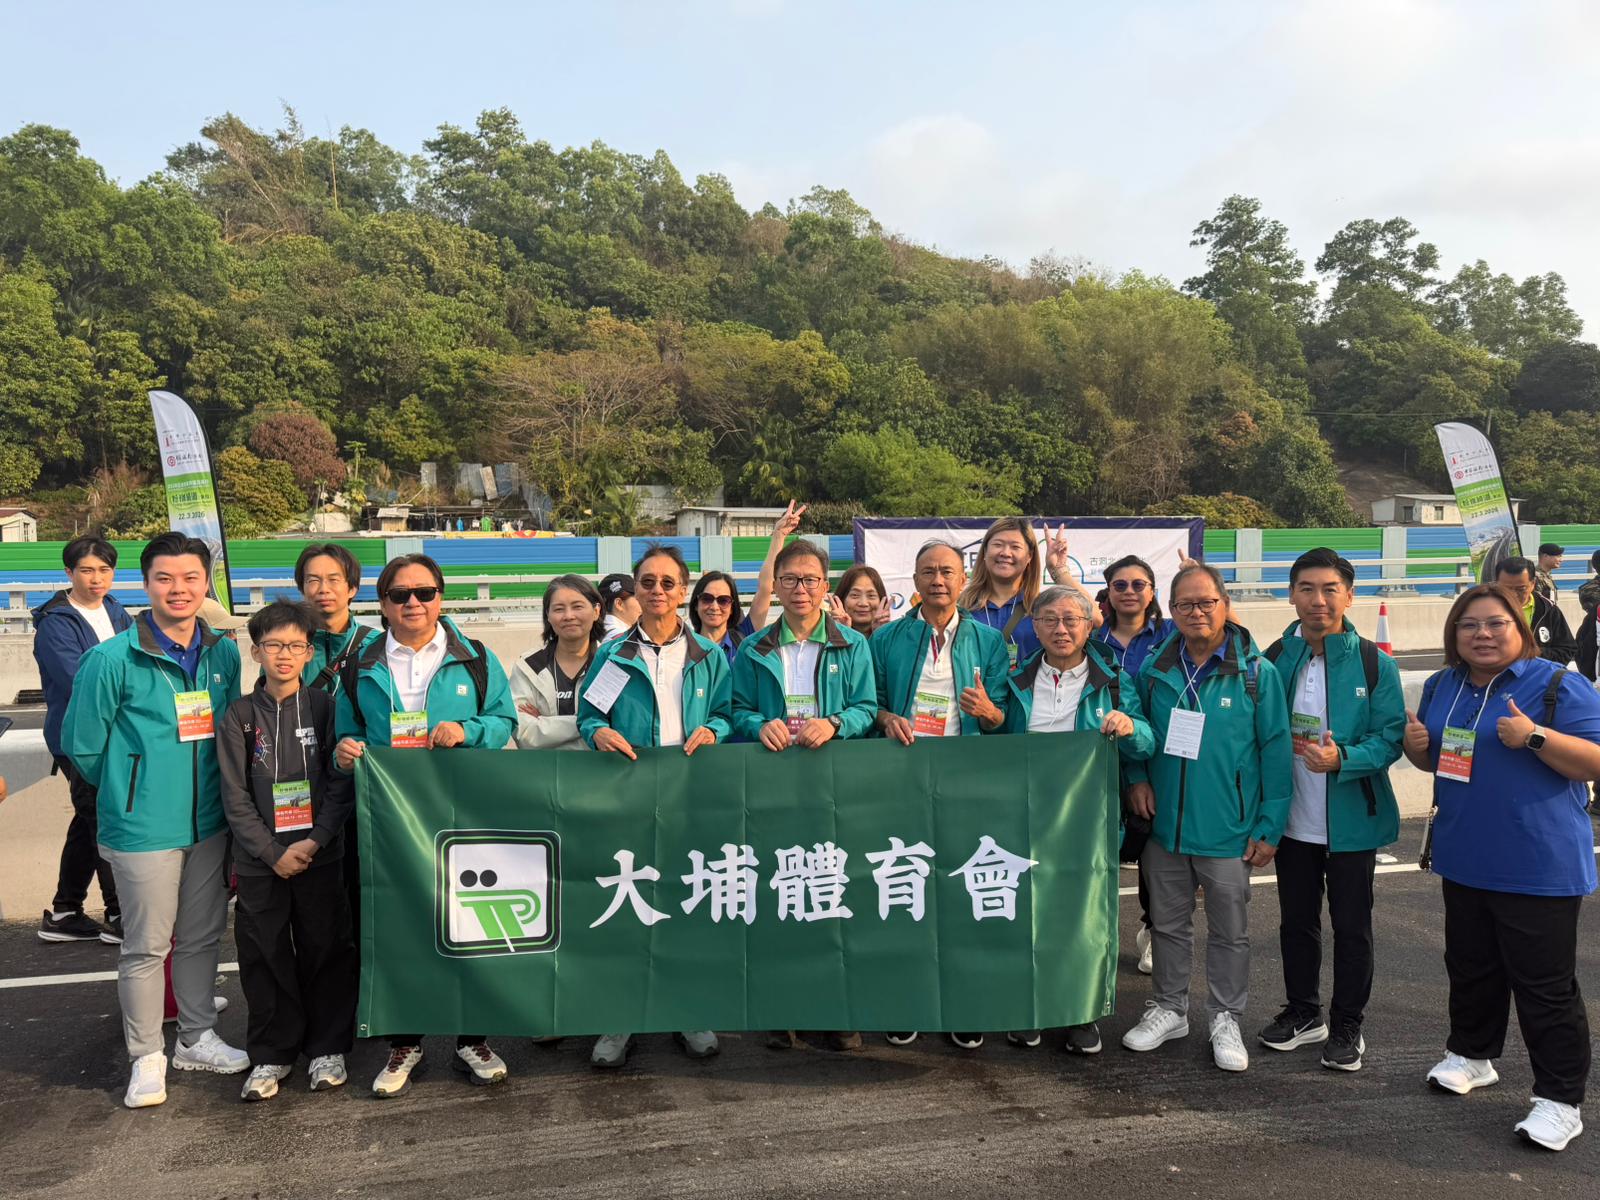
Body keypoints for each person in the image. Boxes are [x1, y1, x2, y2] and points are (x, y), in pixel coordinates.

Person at [1403, 583, 1600, 1151]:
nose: (1482, 634)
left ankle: (1560, 1100)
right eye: (1469, 625)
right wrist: (1416, 746)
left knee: (1544, 986)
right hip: (1465, 856)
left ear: (1521, 628)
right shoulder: (1444, 684)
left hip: (1538, 863)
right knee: (1471, 968)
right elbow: (1441, 760)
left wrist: (1535, 735)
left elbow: (1595, 760)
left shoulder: (1558, 684)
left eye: (1495, 623)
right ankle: (1472, 1054)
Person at [62, 532, 249, 1109]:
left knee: (200, 937)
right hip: (143, 827)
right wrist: (134, 789)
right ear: (145, 585)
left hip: (210, 822)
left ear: (206, 583)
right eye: (164, 578)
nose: (178, 589)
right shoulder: (111, 659)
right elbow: (83, 746)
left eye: (191, 578)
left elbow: (226, 732)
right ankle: (146, 1055)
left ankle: (195, 1036)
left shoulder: (221, 653)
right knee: (146, 946)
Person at [332, 553, 517, 1097]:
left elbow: (503, 720)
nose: (413, 602)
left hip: (462, 813)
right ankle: (404, 1041)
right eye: (400, 595)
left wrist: (466, 730)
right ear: (383, 604)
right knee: (397, 926)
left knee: (468, 923)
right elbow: (345, 733)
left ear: (441, 596)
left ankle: (472, 1037)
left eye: (425, 592)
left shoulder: (475, 657)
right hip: (389, 818)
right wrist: (345, 752)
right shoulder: (359, 664)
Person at [1121, 563, 1292, 1073]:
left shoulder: (1257, 673)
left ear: (1224, 604)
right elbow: (1136, 730)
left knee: (1230, 932)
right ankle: (1169, 1008)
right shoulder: (1155, 668)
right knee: (1168, 927)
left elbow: (1276, 751)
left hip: (1229, 830)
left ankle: (1225, 1016)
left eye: (1206, 602)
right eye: (1185, 604)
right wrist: (1137, 779)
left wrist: (1269, 826)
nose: (1196, 612)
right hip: (1165, 827)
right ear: (1171, 611)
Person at [577, 543, 732, 1069]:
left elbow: (729, 712)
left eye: (668, 583)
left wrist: (715, 729)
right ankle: (620, 1017)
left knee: (686, 904)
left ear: (682, 591)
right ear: (635, 590)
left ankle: (689, 1010)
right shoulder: (614, 655)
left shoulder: (708, 656)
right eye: (648, 582)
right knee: (630, 906)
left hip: (691, 797)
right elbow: (590, 716)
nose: (658, 591)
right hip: (630, 796)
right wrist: (597, 733)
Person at [1255, 549, 1404, 1072]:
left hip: (1351, 822)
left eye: (1329, 589)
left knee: (1352, 928)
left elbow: (1390, 737)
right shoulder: (1276, 657)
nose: (1318, 600)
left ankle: (1347, 1024)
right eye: (1306, 589)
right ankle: (1303, 1012)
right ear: (1291, 595)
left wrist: (1344, 758)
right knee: (1296, 923)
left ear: (1349, 595)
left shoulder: (1373, 662)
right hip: (1292, 821)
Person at [730, 539, 877, 1053]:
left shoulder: (851, 645)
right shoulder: (754, 648)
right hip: (773, 787)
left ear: (824, 585)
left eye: (810, 580)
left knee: (833, 896)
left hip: (831, 787)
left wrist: (834, 723)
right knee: (778, 894)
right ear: (776, 585)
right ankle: (781, 1009)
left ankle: (835, 1010)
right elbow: (736, 709)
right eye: (789, 579)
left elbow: (866, 708)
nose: (800, 589)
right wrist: (758, 724)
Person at [1000, 585, 1154, 1054]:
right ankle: (1028, 1007)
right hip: (1024, 817)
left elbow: (1147, 741)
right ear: (1035, 626)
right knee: (1025, 915)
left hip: (1088, 821)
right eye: (1050, 620)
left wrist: (1129, 727)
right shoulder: (1015, 680)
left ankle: (1081, 1012)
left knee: (1083, 920)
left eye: (1072, 620)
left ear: (1090, 627)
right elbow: (996, 740)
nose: (1061, 629)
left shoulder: (1112, 681)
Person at [870, 540, 1010, 1049]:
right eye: (928, 571)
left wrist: (989, 713)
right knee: (904, 886)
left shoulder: (988, 641)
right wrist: (886, 717)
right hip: (903, 778)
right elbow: (870, 703)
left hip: (963, 779)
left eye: (947, 571)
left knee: (959, 888)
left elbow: (1004, 719)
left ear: (963, 577)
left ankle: (962, 1001)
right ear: (915, 579)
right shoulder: (886, 638)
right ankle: (907, 997)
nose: (938, 580)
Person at [219, 601, 357, 1101]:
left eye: (295, 645)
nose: (284, 655)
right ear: (256, 651)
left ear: (309, 652)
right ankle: (272, 1053)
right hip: (261, 863)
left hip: (319, 853)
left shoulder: (325, 707)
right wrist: (271, 852)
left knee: (326, 949)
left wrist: (316, 839)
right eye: (273, 645)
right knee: (264, 954)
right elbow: (234, 796)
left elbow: (340, 783)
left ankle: (327, 1047)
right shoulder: (239, 715)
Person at [33, 536, 133, 944]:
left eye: (105, 570)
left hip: (117, 733)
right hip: (78, 739)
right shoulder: (56, 623)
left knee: (88, 816)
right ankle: (120, 911)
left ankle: (65, 911)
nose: (97, 579)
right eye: (87, 570)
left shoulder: (116, 611)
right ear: (69, 572)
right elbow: (81, 683)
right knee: (104, 818)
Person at [1090, 554, 1178, 977]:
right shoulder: (1091, 638)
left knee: (1155, 853)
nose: (1129, 592)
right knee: (1106, 851)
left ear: (1153, 591)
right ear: (1107, 593)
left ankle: (1153, 928)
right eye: (1119, 585)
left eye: (1138, 584)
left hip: (1158, 753)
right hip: (1105, 760)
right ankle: (1095, 937)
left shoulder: (1172, 635)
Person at [959, 520, 1102, 671]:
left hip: (1031, 686)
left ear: (1029, 556)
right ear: (984, 552)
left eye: (1015, 547)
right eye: (998, 545)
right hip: (971, 686)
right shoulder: (962, 606)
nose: (1005, 553)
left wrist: (1058, 569)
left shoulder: (1041, 606)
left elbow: (1095, 619)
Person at [513, 575, 604, 750]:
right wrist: (590, 724)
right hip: (544, 766)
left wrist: (544, 722)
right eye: (559, 609)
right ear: (547, 615)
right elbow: (523, 733)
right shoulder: (529, 666)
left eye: (577, 606)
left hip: (599, 765)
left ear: (596, 611)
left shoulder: (612, 664)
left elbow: (619, 726)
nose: (569, 616)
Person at [293, 544, 370, 696]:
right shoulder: (285, 646)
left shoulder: (375, 644)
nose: (323, 589)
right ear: (302, 589)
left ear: (352, 589)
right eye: (313, 580)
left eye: (333, 580)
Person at [1494, 557, 1575, 665]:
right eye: (1507, 589)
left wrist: (1535, 653)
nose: (1513, 594)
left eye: (1521, 589)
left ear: (1533, 584)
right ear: (1496, 584)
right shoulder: (1481, 610)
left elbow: (1567, 651)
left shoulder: (1548, 610)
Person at [833, 565, 892, 637]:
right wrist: (843, 634)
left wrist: (880, 635)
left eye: (871, 595)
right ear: (842, 599)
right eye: (855, 595)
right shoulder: (826, 636)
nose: (863, 603)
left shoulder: (894, 637)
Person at [598, 573, 641, 640]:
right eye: (638, 599)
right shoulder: (623, 638)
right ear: (619, 604)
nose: (643, 604)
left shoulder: (595, 632)